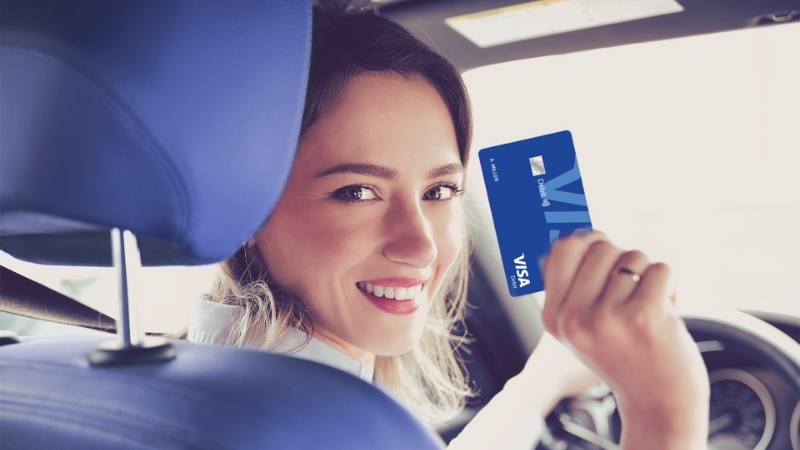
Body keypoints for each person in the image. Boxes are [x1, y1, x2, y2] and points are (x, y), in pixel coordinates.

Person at [188, 1, 710, 448]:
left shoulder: (204, 376)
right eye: (357, 192)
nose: (420, 246)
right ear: (249, 207)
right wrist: (665, 411)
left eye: (439, 191)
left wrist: (531, 390)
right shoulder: (316, 426)